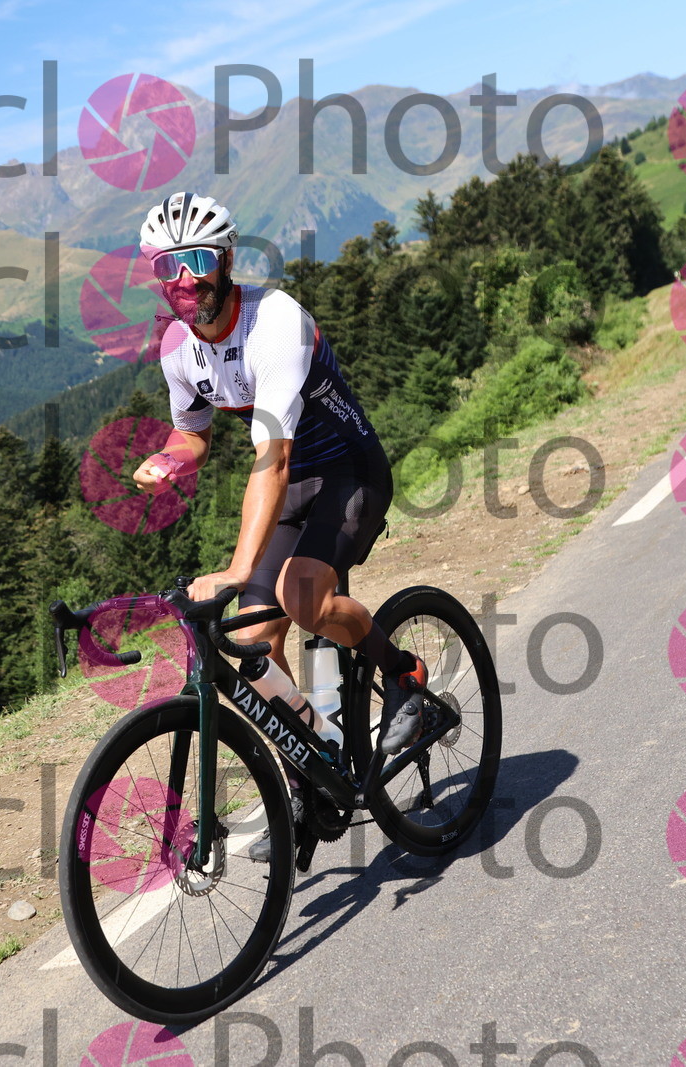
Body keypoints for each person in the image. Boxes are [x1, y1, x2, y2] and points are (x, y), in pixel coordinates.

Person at [129, 191, 428, 862]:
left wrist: (238, 571)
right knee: (254, 643)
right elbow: (194, 435)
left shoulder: (276, 322)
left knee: (302, 597)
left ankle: (404, 674)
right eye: (168, 266)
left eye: (198, 260)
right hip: (290, 487)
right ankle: (311, 771)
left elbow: (273, 456)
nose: (185, 280)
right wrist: (171, 459)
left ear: (227, 259)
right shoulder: (177, 348)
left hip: (348, 471)